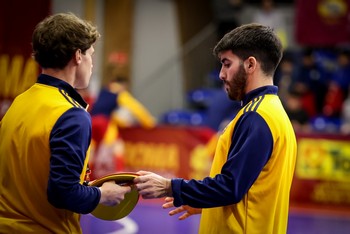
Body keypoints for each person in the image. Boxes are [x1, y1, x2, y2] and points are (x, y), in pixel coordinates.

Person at [134, 23, 297, 233]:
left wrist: (169, 187)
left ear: (250, 64)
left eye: (226, 64)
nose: (221, 74)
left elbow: (231, 187)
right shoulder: (274, 112)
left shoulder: (256, 116)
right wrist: (206, 204)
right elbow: (251, 190)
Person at [0, 12, 131, 233]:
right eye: (91, 54)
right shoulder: (71, 114)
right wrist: (102, 194)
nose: (92, 64)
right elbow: (63, 193)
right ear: (78, 56)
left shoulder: (20, 101)